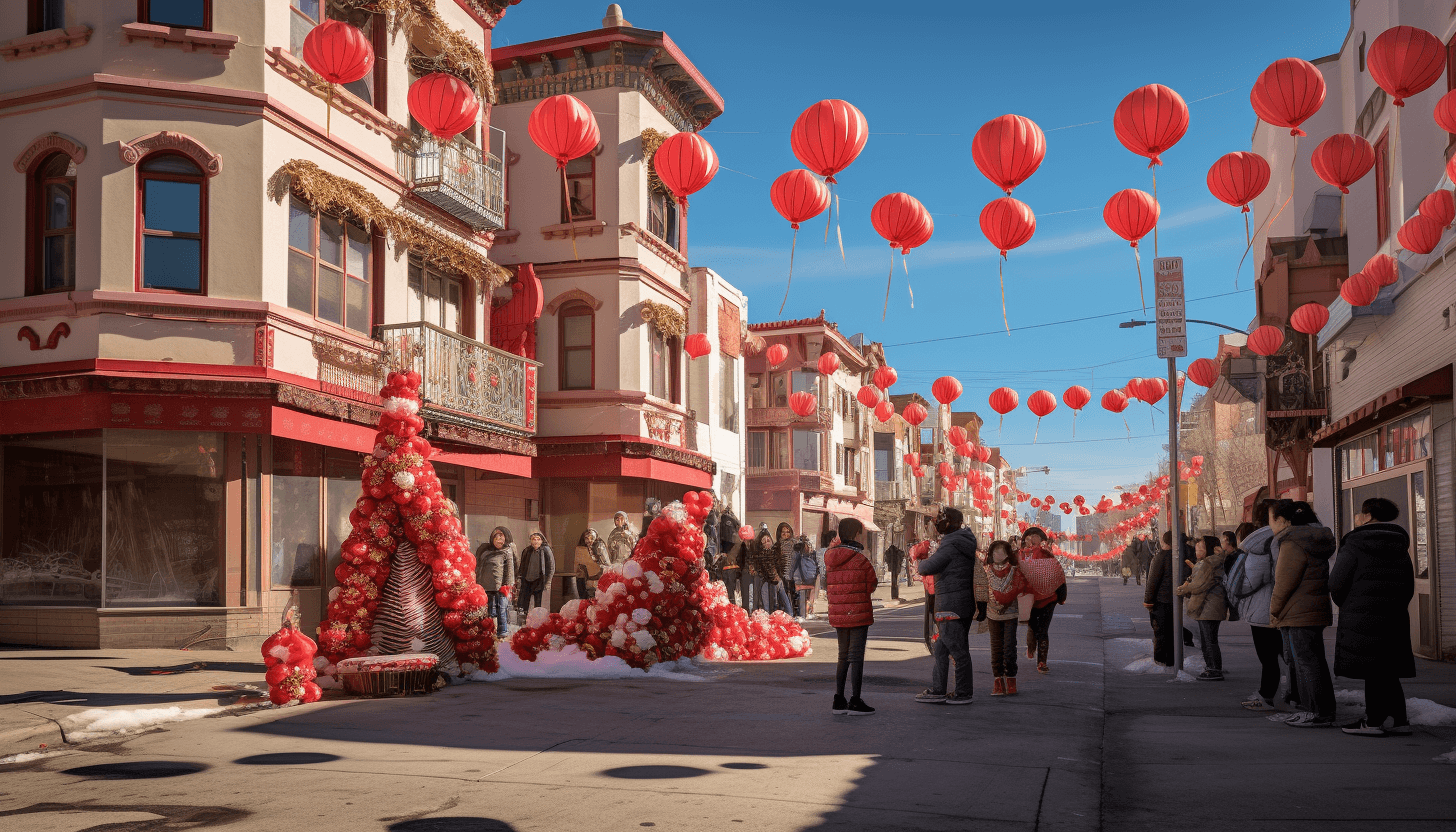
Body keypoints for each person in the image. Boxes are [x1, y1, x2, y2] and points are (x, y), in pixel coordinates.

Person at [1330, 497, 1415, 737]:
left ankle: (1374, 721)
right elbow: (1408, 586)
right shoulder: (1400, 544)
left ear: (1367, 516)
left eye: (1359, 513)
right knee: (1387, 668)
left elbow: (1336, 582)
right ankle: (1400, 720)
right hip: (1394, 615)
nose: (1357, 517)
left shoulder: (1356, 542)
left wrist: (1348, 605)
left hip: (1362, 615)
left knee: (1374, 670)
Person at [1268, 500, 1338, 728]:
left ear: (1284, 520)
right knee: (1313, 661)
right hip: (1312, 609)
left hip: (1297, 611)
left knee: (1306, 663)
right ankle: (1320, 711)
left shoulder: (1292, 542)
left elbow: (1284, 582)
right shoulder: (1315, 539)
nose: (1271, 525)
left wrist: (1274, 610)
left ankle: (1316, 712)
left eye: (1272, 519)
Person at [913, 507, 983, 705]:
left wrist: (922, 559)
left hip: (951, 604)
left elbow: (927, 567)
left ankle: (963, 693)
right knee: (942, 650)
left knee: (958, 650)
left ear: (948, 522)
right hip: (958, 603)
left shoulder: (951, 543)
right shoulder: (962, 541)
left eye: (940, 520)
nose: (937, 524)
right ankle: (938, 689)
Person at [1228, 516, 1283, 711]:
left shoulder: (1260, 549)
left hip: (1263, 610)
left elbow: (1249, 583)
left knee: (1268, 658)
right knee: (1286, 656)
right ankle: (1295, 694)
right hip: (1280, 607)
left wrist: (1232, 581)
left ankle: (1266, 696)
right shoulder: (1280, 542)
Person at [825, 518, 877, 715]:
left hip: (838, 614)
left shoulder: (830, 557)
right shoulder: (860, 559)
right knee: (856, 657)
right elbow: (871, 584)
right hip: (858, 614)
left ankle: (839, 699)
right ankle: (855, 700)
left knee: (842, 655)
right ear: (856, 534)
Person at [1176, 534, 1228, 680]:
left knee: (1209, 639)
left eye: (1201, 547)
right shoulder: (1209, 562)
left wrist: (1183, 589)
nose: (1197, 549)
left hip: (1209, 605)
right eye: (1197, 547)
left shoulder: (1209, 563)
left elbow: (1200, 585)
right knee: (1208, 639)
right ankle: (1212, 667)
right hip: (1210, 605)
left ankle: (1214, 669)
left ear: (1209, 549)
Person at [1019, 527, 1067, 674]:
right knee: (1033, 628)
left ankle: (1042, 662)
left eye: (1035, 536)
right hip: (1030, 599)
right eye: (1029, 537)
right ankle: (1031, 646)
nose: (1032, 539)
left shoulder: (1047, 555)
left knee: (1043, 631)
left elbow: (1057, 573)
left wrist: (1061, 595)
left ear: (1041, 540)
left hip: (1048, 599)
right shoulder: (1020, 556)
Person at [985, 539, 1028, 695]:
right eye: (995, 551)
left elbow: (1021, 587)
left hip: (1010, 614)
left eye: (1002, 551)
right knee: (996, 649)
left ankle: (1011, 679)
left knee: (1009, 647)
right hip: (992, 614)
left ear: (1007, 554)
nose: (998, 554)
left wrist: (1004, 599)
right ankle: (998, 681)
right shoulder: (986, 571)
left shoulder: (1015, 571)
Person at [474, 527, 517, 638]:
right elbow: (479, 567)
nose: (499, 540)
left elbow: (510, 570)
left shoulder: (507, 551)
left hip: (501, 587)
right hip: (486, 585)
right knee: (489, 610)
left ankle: (502, 632)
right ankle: (489, 631)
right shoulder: (486, 551)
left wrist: (507, 585)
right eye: (496, 538)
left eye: (501, 538)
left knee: (501, 609)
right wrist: (477, 582)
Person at [790, 532, 828, 621]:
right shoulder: (809, 553)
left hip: (804, 578)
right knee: (805, 596)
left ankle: (804, 614)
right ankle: (804, 614)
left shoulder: (801, 553)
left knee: (805, 596)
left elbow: (795, 566)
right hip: (807, 577)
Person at [516, 531, 555, 613]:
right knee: (524, 602)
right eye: (534, 539)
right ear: (530, 541)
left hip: (539, 580)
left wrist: (548, 582)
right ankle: (525, 618)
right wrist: (519, 578)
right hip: (527, 580)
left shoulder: (546, 550)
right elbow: (522, 566)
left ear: (542, 541)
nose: (536, 541)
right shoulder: (527, 550)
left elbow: (551, 567)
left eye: (538, 539)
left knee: (538, 603)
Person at [573, 528, 609, 601]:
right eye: (587, 538)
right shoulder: (581, 549)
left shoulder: (599, 547)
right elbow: (578, 567)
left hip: (597, 579)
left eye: (591, 538)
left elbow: (606, 563)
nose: (589, 541)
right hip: (584, 580)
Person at [747, 529, 776, 613]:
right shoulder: (758, 551)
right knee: (760, 593)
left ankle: (768, 611)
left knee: (769, 594)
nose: (766, 543)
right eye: (764, 541)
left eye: (768, 540)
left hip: (769, 577)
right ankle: (761, 610)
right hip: (761, 575)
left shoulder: (773, 551)